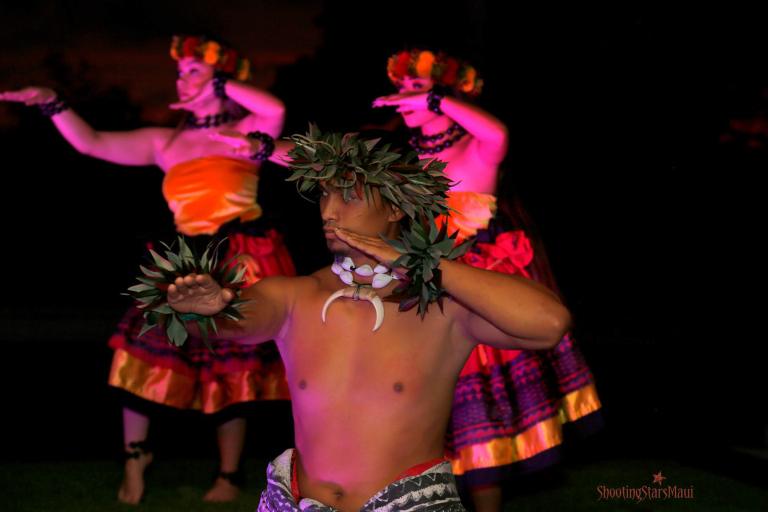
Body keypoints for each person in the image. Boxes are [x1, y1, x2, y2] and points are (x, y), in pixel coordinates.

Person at [156, 127, 571, 511]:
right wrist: (201, 308)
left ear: (395, 207)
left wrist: (423, 264)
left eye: (347, 196)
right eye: (323, 195)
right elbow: (230, 322)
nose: (329, 212)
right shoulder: (294, 296)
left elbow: (549, 324)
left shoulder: (446, 308)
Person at [0, 34, 295, 504]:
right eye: (180, 73)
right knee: (140, 347)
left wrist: (216, 80)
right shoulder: (166, 139)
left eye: (192, 71)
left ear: (223, 77)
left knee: (231, 366)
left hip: (239, 252)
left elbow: (274, 107)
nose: (181, 79)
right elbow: (92, 142)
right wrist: (52, 103)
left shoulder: (249, 130)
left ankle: (228, 475)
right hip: (185, 256)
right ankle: (135, 458)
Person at [373, 49, 602, 511]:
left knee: (477, 418)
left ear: (450, 94)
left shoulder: (478, 147)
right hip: (419, 290)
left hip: (479, 290)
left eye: (415, 89)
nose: (404, 99)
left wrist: (433, 100)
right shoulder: (403, 158)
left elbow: (497, 130)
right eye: (404, 90)